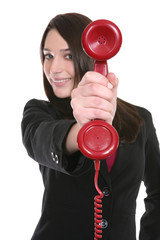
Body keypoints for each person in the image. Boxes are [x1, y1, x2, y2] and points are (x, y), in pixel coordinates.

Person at [21, 12, 160, 240]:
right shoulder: (39, 112)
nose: (53, 68)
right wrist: (83, 128)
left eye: (67, 56)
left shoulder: (140, 118)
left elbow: (157, 191)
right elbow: (41, 140)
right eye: (48, 56)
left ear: (91, 54)